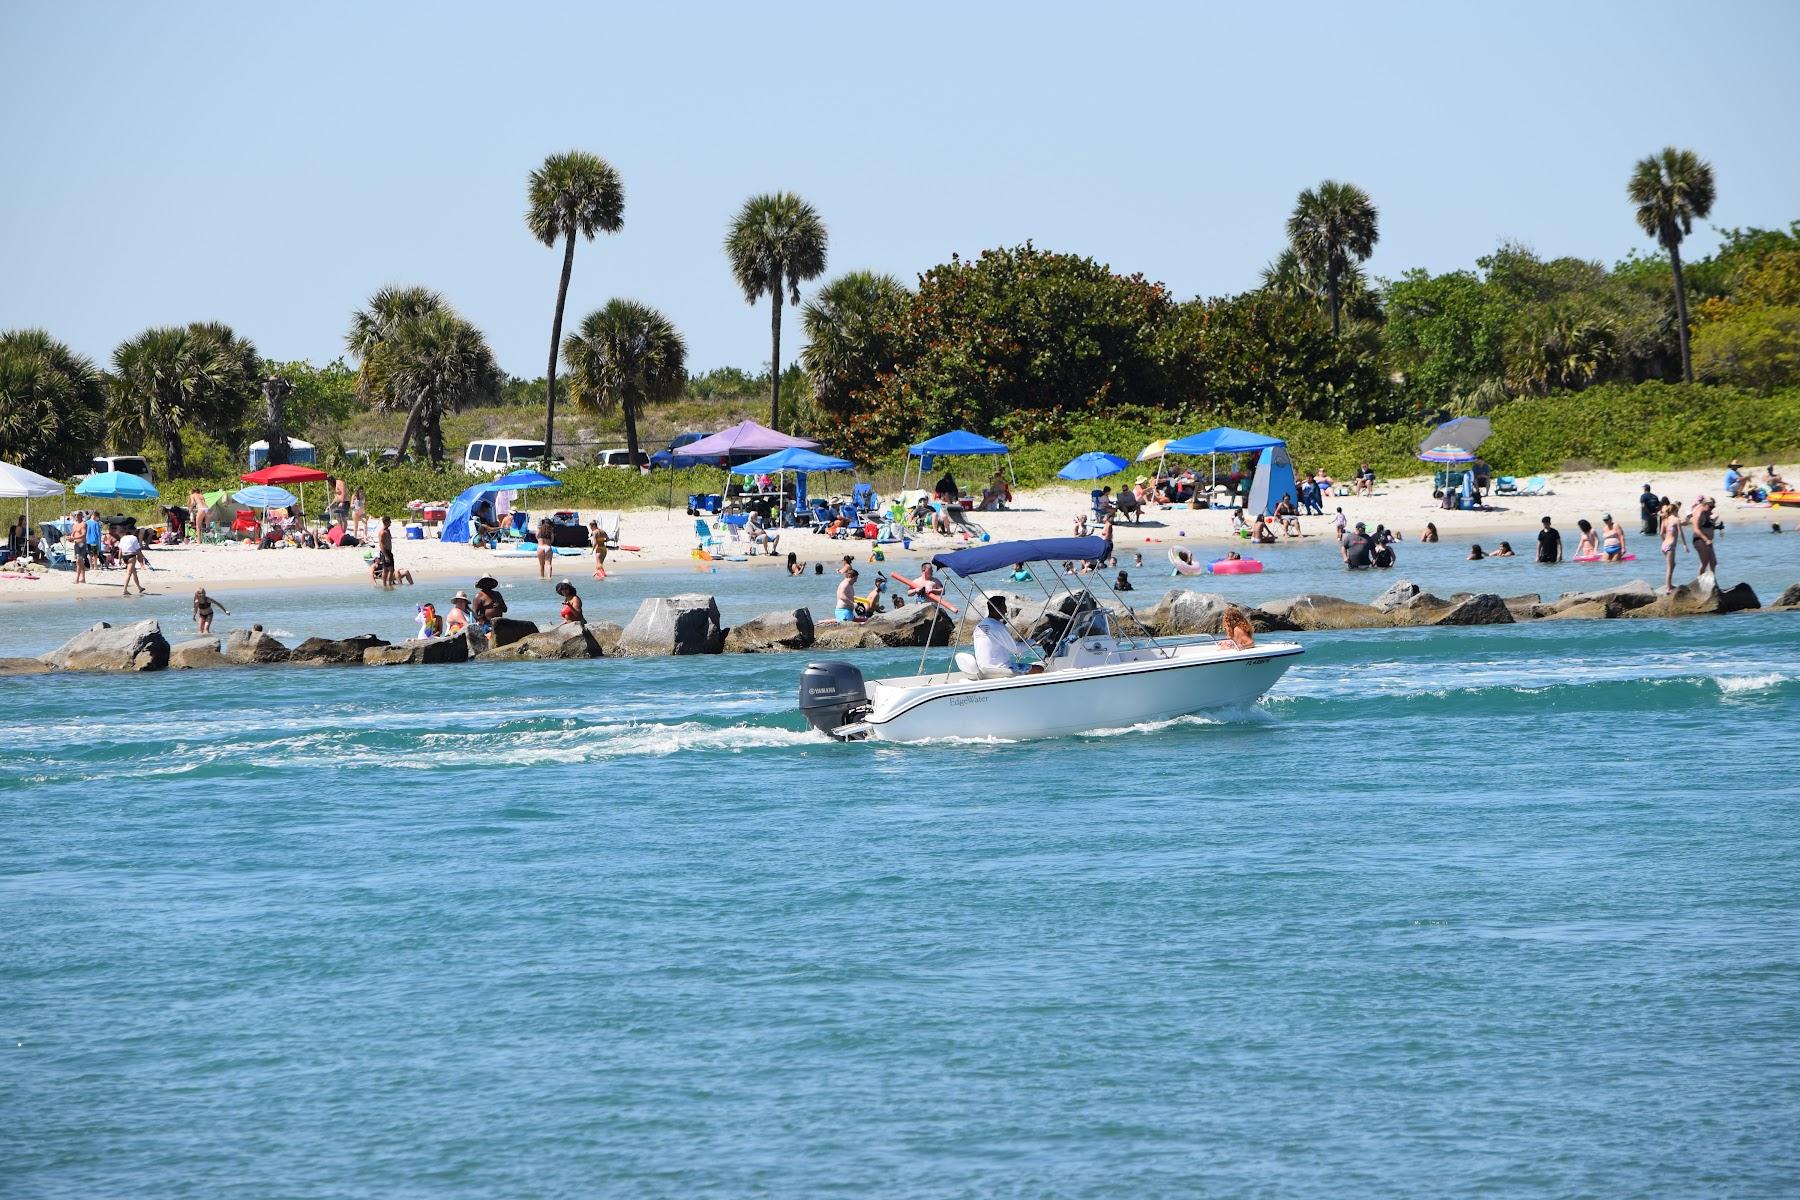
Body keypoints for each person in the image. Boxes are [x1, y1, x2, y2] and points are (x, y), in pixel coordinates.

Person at [972, 595, 1042, 675]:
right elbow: (1016, 650)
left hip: (984, 668)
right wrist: (1034, 641)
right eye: (1003, 607)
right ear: (996, 609)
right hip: (1000, 668)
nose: (1005, 611)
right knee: (1040, 669)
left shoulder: (980, 625)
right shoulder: (998, 626)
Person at [1659, 501, 1687, 592]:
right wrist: (1684, 545)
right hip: (1670, 546)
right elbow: (1680, 533)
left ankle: (1669, 584)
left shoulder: (1665, 519)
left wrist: (1664, 542)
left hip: (1664, 545)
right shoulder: (1676, 519)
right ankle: (1668, 588)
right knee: (1670, 567)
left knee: (1672, 564)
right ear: (1675, 511)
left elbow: (1660, 533)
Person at [1692, 496, 1721, 577]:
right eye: (1710, 506)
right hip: (1699, 540)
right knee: (1704, 563)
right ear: (1705, 504)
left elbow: (1707, 526)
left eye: (1713, 507)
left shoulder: (1707, 513)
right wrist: (1706, 540)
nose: (1712, 509)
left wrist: (1718, 527)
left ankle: (1712, 582)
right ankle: (1699, 582)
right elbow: (1696, 529)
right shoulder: (1699, 513)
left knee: (1713, 563)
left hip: (1707, 541)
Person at [118, 526, 145, 595]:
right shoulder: (134, 538)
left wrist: (120, 559)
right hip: (131, 557)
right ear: (132, 531)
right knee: (129, 573)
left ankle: (139, 588)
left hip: (124, 557)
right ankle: (124, 590)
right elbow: (138, 549)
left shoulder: (123, 538)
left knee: (134, 572)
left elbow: (120, 550)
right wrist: (141, 558)